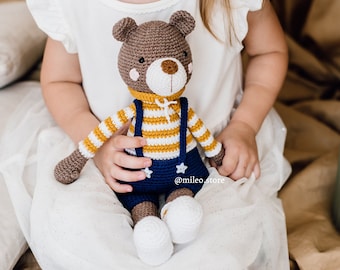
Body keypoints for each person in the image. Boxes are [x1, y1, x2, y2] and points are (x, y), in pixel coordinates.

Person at [5, 0, 291, 269]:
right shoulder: (76, 5)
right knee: (79, 226)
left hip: (211, 152)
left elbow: (269, 52)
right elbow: (60, 80)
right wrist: (95, 140)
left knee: (223, 238)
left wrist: (245, 124)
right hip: (111, 156)